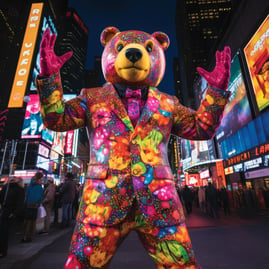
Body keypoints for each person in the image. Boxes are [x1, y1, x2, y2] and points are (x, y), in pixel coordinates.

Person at [36, 28, 231, 269]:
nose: (134, 53)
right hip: (102, 204)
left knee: (183, 266)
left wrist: (217, 92)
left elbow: (202, 129)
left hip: (160, 205)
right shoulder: (92, 97)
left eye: (149, 49)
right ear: (108, 46)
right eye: (120, 48)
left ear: (158, 53)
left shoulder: (168, 103)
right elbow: (56, 119)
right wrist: (49, 78)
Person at [0, 177, 25, 258]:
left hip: (8, 212)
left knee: (4, 232)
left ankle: (2, 251)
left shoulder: (15, 189)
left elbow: (19, 202)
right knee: (4, 232)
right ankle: (2, 250)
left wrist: (14, 212)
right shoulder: (7, 188)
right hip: (6, 211)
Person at [22, 172, 44, 243]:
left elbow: (26, 196)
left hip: (27, 205)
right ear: (39, 179)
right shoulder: (40, 187)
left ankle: (24, 236)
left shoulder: (29, 187)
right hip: (35, 205)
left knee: (26, 221)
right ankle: (30, 236)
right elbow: (40, 197)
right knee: (32, 221)